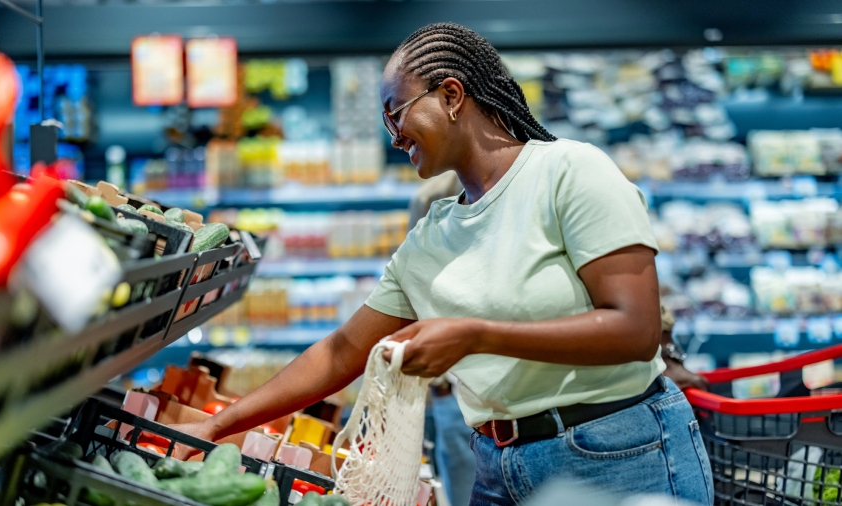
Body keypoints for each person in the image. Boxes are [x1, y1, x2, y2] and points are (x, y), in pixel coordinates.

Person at [173, 22, 713, 505]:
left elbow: (635, 329)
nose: (393, 135)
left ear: (452, 95)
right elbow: (341, 352)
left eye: (396, 111)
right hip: (496, 468)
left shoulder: (569, 171)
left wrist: (475, 335)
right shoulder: (431, 235)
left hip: (616, 455)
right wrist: (219, 425)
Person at [409, 173, 710, 505]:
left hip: (593, 422)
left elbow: (628, 291)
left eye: (397, 116)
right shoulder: (434, 200)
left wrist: (667, 352)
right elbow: (418, 288)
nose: (397, 136)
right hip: (478, 415)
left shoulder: (558, 176)